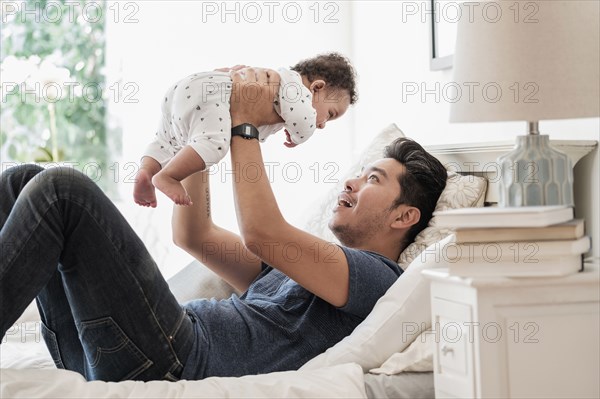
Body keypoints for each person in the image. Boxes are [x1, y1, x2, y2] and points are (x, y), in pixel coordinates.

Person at [0, 68, 447, 382]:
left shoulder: (379, 279)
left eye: (373, 179)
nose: (351, 180)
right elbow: (194, 236)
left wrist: (244, 124)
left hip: (177, 358)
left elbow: (263, 232)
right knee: (23, 181)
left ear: (403, 216)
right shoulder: (295, 272)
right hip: (114, 353)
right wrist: (209, 122)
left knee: (62, 191)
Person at [134, 53, 358, 207]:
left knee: (167, 139)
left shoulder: (280, 82)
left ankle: (147, 169)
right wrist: (300, 137)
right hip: (215, 96)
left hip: (187, 88)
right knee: (214, 144)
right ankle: (168, 176)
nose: (322, 125)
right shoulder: (295, 88)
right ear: (317, 87)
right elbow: (304, 122)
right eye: (330, 114)